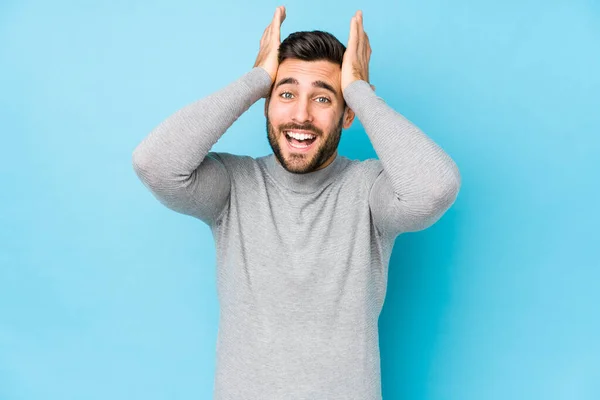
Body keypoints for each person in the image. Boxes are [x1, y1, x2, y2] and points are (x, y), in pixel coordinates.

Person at [132, 6, 461, 400]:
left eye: (323, 99)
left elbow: (435, 188)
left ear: (346, 115)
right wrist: (256, 79)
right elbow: (154, 164)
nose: (301, 115)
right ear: (267, 104)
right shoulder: (231, 186)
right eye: (285, 94)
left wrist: (358, 89)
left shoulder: (371, 190)